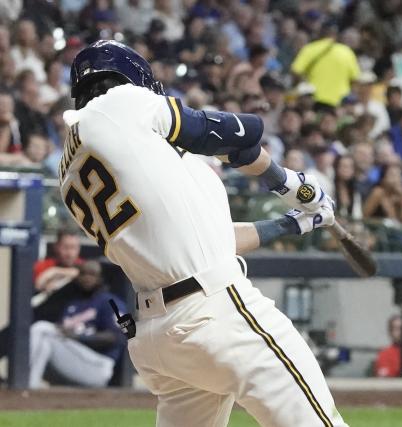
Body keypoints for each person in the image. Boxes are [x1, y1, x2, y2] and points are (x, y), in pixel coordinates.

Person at [61, 40, 344, 427]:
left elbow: (212, 238)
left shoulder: (73, 167)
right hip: (216, 310)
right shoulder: (121, 102)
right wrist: (286, 181)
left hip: (160, 338)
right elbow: (239, 131)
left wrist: (292, 223)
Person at [29, 261, 126, 388]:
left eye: (92, 274)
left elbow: (115, 337)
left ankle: (25, 386)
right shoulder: (73, 304)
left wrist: (77, 337)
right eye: (83, 274)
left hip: (98, 366)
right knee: (45, 340)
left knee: (41, 329)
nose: (86, 278)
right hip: (74, 359)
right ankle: (30, 386)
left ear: (100, 278)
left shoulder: (110, 302)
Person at [291, 20, 360, 109]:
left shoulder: (310, 48)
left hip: (312, 100)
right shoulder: (347, 52)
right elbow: (355, 80)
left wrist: (303, 86)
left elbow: (296, 71)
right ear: (336, 35)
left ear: (321, 32)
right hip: (338, 102)